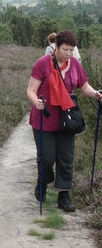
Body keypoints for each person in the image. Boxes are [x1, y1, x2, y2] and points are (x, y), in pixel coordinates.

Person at [27, 30, 102, 212]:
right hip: (45, 117)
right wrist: (35, 101)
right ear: (56, 47)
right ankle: (43, 182)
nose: (69, 53)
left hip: (67, 118)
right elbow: (31, 89)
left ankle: (64, 195)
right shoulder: (42, 63)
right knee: (46, 157)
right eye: (65, 49)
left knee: (66, 158)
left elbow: (83, 85)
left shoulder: (75, 64)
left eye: (72, 50)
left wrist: (95, 94)